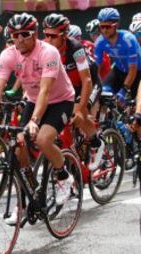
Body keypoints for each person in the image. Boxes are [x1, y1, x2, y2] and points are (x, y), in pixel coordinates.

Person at [0, 13, 75, 210]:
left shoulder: (49, 52)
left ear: (35, 34)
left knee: (43, 140)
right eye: (15, 34)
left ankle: (64, 176)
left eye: (24, 34)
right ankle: (31, 192)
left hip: (60, 100)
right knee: (18, 146)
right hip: (33, 100)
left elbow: (46, 90)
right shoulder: (8, 55)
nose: (19, 38)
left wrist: (34, 121)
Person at [43, 13, 104, 171]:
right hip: (69, 87)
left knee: (80, 115)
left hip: (88, 82)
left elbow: (87, 80)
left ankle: (96, 141)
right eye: (46, 35)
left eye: (53, 36)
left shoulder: (75, 48)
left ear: (64, 36)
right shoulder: (45, 49)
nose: (48, 40)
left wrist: (80, 107)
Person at [95, 7, 141, 102]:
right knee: (104, 93)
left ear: (117, 25)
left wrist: (124, 90)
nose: (104, 30)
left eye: (108, 27)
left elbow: (133, 70)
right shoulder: (100, 42)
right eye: (101, 27)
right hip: (119, 70)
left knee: (130, 101)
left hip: (137, 71)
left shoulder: (129, 39)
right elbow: (96, 70)